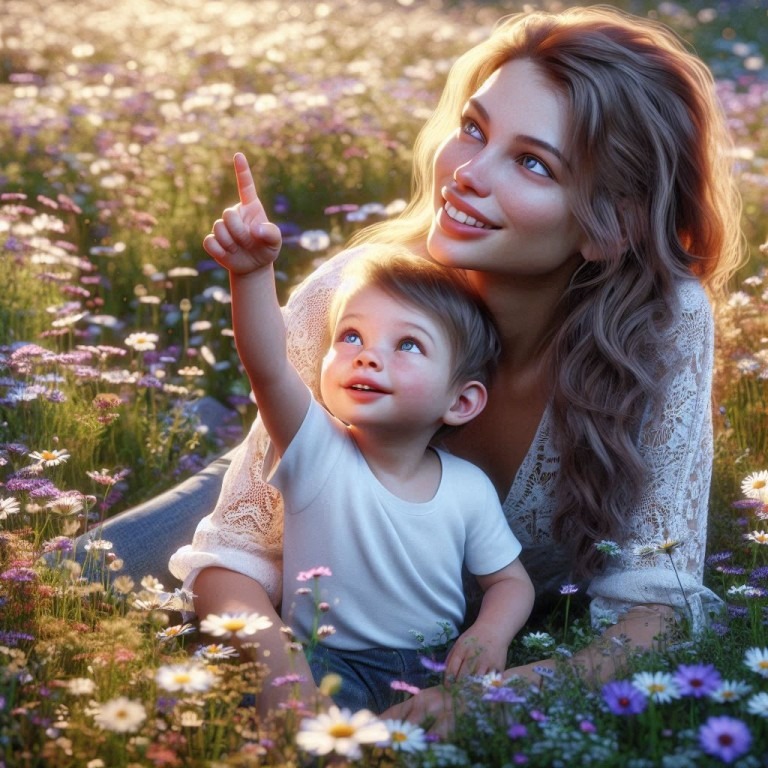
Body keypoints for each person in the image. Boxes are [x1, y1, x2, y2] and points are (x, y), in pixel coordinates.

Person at [165, 5, 743, 723]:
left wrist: (489, 700)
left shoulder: (660, 322)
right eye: (473, 129)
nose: (466, 173)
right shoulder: (354, 295)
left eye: (532, 162)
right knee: (93, 559)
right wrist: (289, 686)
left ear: (611, 224)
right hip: (299, 494)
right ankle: (203, 445)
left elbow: (657, 606)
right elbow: (238, 553)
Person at [199, 155, 534, 712]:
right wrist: (252, 274)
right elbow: (267, 364)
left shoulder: (468, 487)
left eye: (407, 346)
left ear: (461, 400)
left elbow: (510, 583)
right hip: (324, 662)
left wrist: (489, 634)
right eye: (351, 336)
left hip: (435, 667)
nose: (368, 358)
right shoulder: (317, 449)